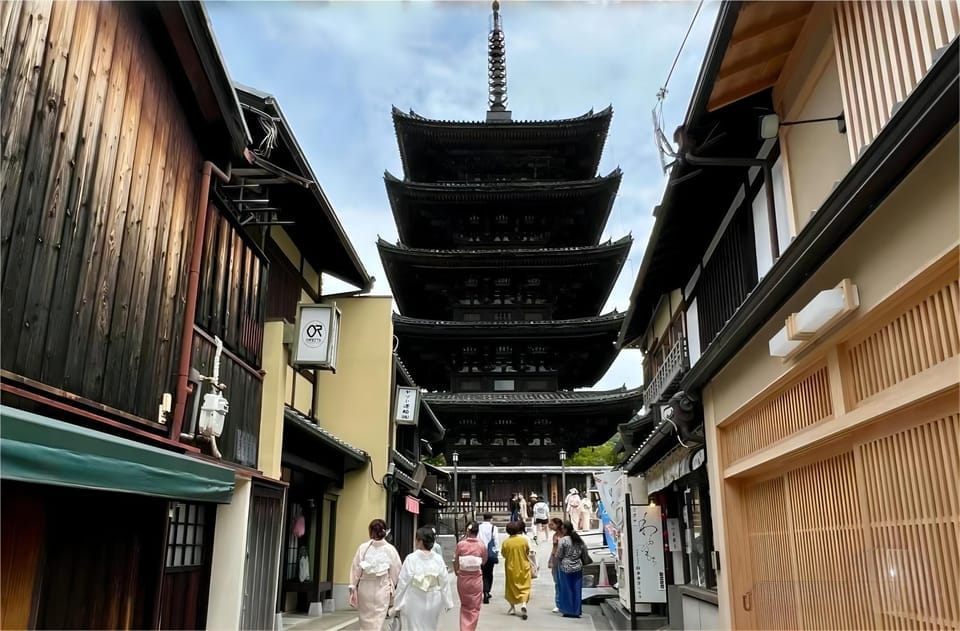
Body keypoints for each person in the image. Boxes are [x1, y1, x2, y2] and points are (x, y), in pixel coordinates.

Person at [392, 526, 454, 631]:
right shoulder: (438, 559)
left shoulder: (411, 558)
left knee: (415, 627)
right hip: (434, 597)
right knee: (431, 626)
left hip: (415, 597)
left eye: (416, 539)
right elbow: (444, 581)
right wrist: (448, 601)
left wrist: (397, 603)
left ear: (420, 541)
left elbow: (403, 582)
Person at [349, 519, 402, 630]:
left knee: (365, 618)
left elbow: (356, 567)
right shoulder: (390, 549)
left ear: (370, 531)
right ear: (385, 532)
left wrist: (353, 585)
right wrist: (392, 583)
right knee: (378, 617)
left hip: (365, 587)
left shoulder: (363, 548)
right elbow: (396, 569)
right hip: (382, 586)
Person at [454, 521, 487, 631]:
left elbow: (456, 560)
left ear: (467, 531)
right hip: (476, 578)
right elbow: (484, 561)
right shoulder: (481, 545)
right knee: (474, 607)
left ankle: (464, 628)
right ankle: (470, 628)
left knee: (465, 605)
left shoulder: (461, 545)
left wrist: (457, 571)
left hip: (463, 578)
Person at [555, 521, 587, 618]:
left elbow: (559, 554)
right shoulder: (578, 539)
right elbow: (584, 551)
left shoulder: (563, 540)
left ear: (565, 529)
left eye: (562, 528)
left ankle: (568, 610)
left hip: (565, 567)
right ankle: (576, 611)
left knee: (566, 589)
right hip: (578, 567)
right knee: (577, 589)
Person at [501, 520, 531, 620]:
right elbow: (527, 551)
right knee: (525, 585)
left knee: (511, 587)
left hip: (511, 566)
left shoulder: (506, 542)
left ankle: (512, 607)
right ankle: (524, 604)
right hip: (524, 565)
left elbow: (504, 554)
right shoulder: (523, 540)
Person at [477, 512, 498, 604]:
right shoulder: (493, 528)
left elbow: (477, 538)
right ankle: (487, 590)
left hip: (480, 551)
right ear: (491, 518)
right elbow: (496, 540)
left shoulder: (479, 527)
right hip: (490, 553)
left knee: (482, 572)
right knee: (489, 572)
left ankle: (483, 590)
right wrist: (497, 551)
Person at [546, 517, 564, 614]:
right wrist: (550, 560)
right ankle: (558, 604)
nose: (550, 526)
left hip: (564, 559)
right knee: (557, 582)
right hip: (556, 559)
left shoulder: (565, 535)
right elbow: (554, 548)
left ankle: (564, 602)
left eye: (552, 524)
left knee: (563, 582)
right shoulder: (555, 535)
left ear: (558, 525)